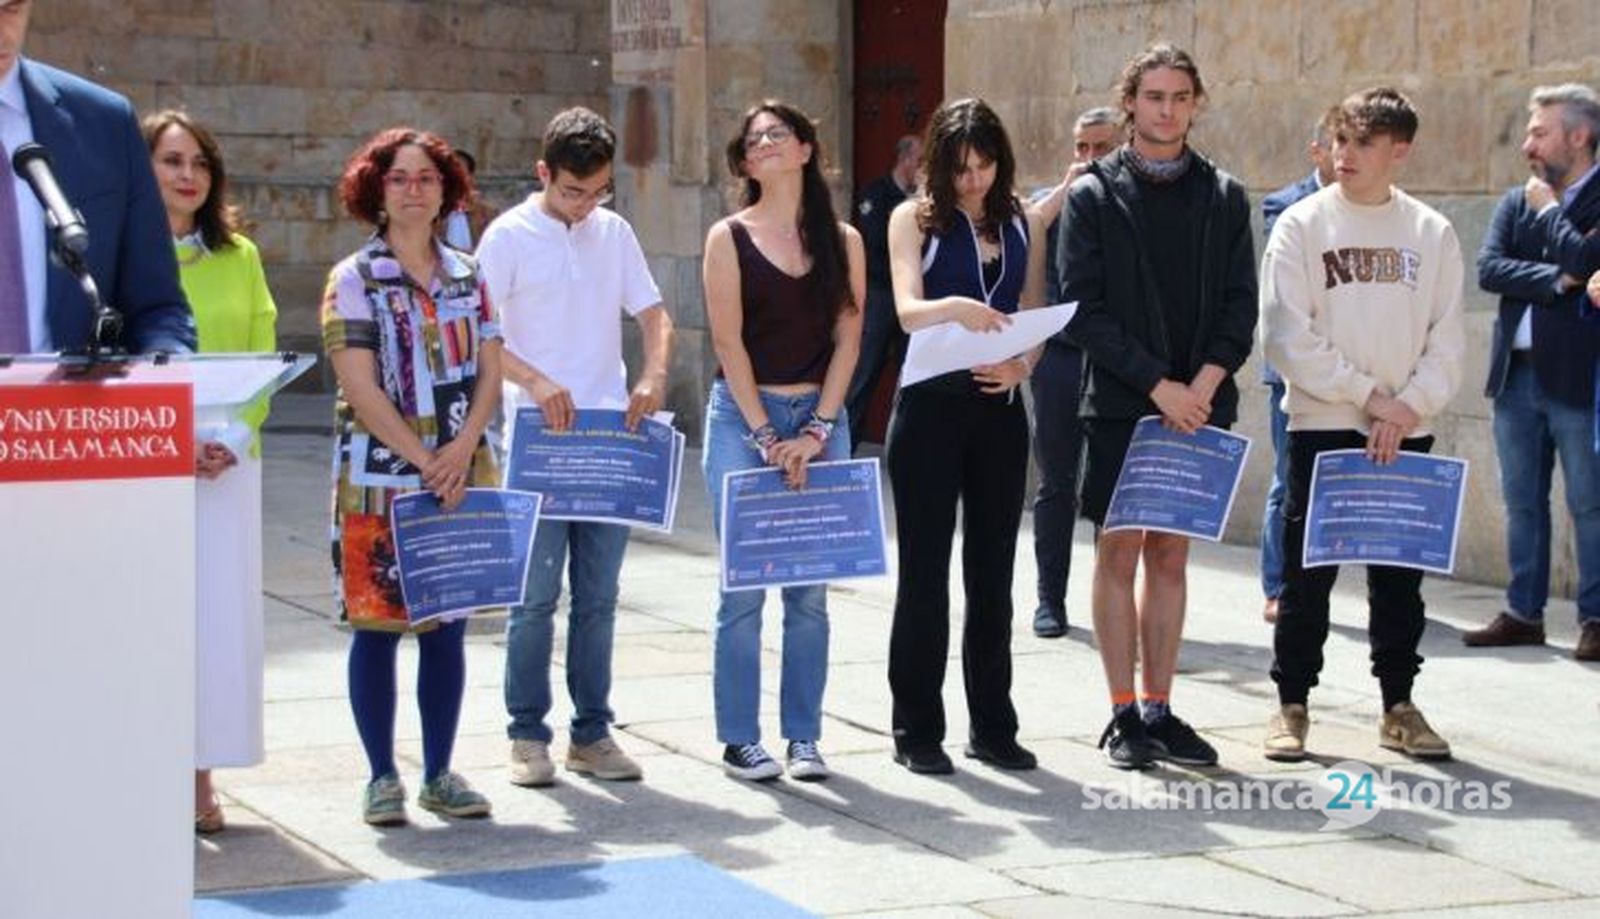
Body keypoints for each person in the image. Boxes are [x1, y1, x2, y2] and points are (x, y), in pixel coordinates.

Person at [1060, 43, 1256, 770]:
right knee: (1119, 552)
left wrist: (1202, 383)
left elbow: (1242, 302)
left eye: (1179, 96)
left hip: (1200, 404)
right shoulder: (1094, 195)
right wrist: (1157, 386)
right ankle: (1121, 713)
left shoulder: (1225, 196)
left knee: (1171, 556)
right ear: (1131, 103)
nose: (1166, 108)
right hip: (1124, 402)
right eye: (1153, 96)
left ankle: (1160, 705)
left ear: (1195, 103)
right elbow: (1082, 309)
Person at [1260, 87, 1465, 762]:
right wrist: (1367, 397)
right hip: (1324, 423)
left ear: (1398, 150)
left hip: (1407, 426)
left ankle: (1398, 704)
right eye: (1340, 139)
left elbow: (1449, 336)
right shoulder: (1303, 224)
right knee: (1306, 573)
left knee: (1399, 577)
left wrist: (1408, 405)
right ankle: (1292, 702)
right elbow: (1287, 334)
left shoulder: (1430, 232)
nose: (1344, 155)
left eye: (1363, 143)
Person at [476, 107, 673, 789]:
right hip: (537, 438)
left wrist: (651, 373)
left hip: (606, 435)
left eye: (597, 192)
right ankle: (527, 732)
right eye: (572, 192)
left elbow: (653, 313)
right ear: (543, 173)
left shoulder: (613, 232)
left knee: (599, 595)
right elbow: (481, 333)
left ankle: (592, 732)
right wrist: (534, 379)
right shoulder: (506, 237)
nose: (585, 205)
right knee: (533, 597)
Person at [323, 127, 502, 825]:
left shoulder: (468, 272)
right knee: (376, 626)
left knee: (446, 628)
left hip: (458, 472)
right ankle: (380, 775)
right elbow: (360, 387)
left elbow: (491, 363)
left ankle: (438, 771)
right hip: (379, 477)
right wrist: (427, 458)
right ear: (376, 188)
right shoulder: (354, 279)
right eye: (399, 177)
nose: (413, 189)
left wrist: (460, 449)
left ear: (446, 189)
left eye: (426, 177)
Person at [701, 100, 865, 781]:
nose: (765, 143)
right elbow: (727, 340)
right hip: (746, 419)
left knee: (810, 591)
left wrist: (821, 428)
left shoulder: (844, 239)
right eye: (753, 139)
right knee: (744, 588)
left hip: (822, 417)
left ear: (805, 149)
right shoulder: (727, 237)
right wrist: (767, 434)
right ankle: (741, 737)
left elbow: (851, 337)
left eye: (778, 134)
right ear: (744, 162)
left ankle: (803, 735)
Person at [885, 98, 1047, 776]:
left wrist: (1022, 362)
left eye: (983, 167)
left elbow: (1033, 309)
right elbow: (906, 308)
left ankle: (993, 724)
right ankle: (917, 726)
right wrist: (957, 308)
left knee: (994, 574)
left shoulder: (1020, 221)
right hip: (928, 411)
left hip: (998, 410)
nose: (972, 180)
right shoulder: (911, 218)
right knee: (925, 574)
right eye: (959, 168)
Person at [143, 109, 278, 835]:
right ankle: (147, 766)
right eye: (171, 161)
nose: (188, 175)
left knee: (215, 621)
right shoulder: (120, 257)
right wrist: (170, 442)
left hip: (228, 458)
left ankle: (200, 774)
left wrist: (232, 434)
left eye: (198, 162)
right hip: (149, 460)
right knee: (155, 618)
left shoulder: (241, 256)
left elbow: (261, 348)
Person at [1463, 84, 1600, 662]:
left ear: (1578, 136)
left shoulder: (1561, 201)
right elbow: (1490, 268)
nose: (1526, 146)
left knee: (1590, 502)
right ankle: (1524, 611)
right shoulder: (1517, 200)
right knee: (1522, 499)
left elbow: (1584, 262)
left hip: (1575, 375)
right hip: (1516, 377)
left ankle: (1595, 618)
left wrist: (1551, 220)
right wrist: (1556, 282)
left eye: (1539, 133)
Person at [1, 0, 194, 355]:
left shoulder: (103, 123)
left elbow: (156, 306)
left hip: (67, 408)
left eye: (11, 8)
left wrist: (166, 377)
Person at [1026, 105, 1119, 639]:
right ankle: (1049, 600)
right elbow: (1029, 225)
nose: (1089, 159)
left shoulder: (1129, 198)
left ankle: (1113, 605)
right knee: (1056, 481)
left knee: (1114, 490)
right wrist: (1069, 186)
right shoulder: (1053, 199)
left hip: (1112, 361)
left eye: (1100, 148)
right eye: (1081, 147)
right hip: (1060, 358)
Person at [1258, 109, 1337, 625]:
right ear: (1317, 151)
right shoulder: (1285, 205)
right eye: (1338, 144)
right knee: (1287, 480)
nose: (1347, 156)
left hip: (1350, 367)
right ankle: (1277, 584)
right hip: (1291, 372)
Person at [843, 133, 920, 452]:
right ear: (906, 161)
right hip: (879, 296)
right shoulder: (876, 194)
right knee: (865, 375)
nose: (924, 167)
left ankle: (905, 449)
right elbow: (874, 243)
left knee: (912, 376)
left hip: (910, 299)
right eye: (920, 160)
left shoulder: (922, 199)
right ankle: (844, 447)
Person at [441, 149, 496, 250]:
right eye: (449, 174)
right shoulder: (430, 213)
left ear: (470, 178)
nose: (454, 179)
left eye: (460, 174)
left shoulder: (487, 214)